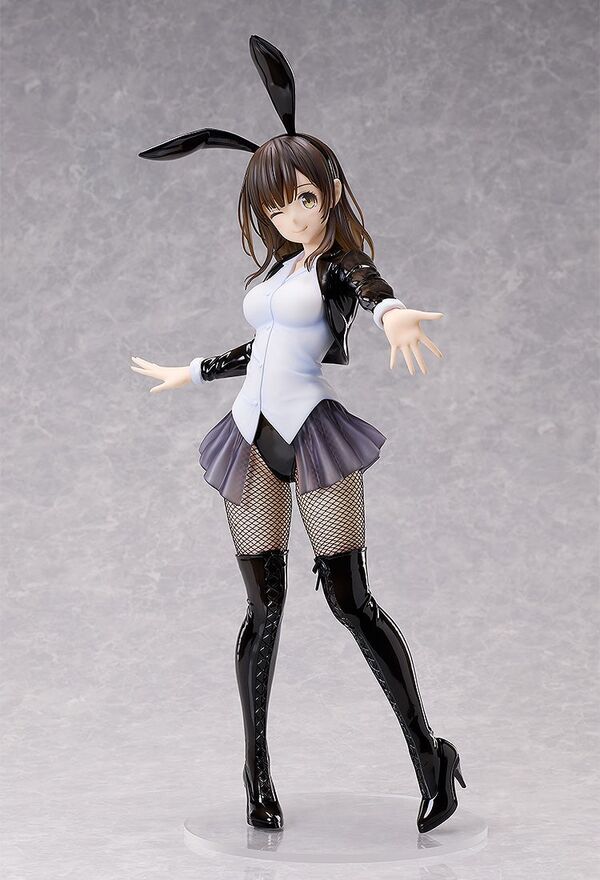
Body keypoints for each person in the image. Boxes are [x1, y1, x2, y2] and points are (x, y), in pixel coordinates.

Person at [131, 35, 466, 834]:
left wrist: (392, 313)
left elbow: (367, 284)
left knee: (350, 600)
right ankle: (256, 769)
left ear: (330, 192)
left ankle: (429, 754)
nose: (291, 217)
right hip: (250, 439)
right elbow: (263, 349)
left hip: (314, 438)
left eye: (303, 200)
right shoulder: (276, 273)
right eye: (276, 208)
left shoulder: (335, 265)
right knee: (264, 609)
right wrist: (194, 371)